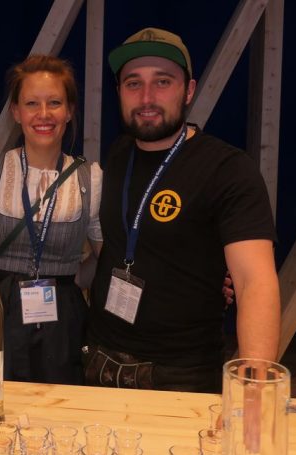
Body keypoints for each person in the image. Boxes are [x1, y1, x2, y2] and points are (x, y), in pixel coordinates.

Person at [85, 27, 280, 393]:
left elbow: (255, 282)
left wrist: (253, 391)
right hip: (97, 364)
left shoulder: (227, 168)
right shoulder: (119, 154)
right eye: (133, 83)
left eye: (162, 82)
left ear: (188, 90)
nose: (146, 97)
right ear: (119, 91)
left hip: (180, 376)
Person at [0, 55, 103, 385]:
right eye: (32, 103)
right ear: (16, 112)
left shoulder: (91, 179)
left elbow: (108, 258)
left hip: (65, 328)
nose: (43, 114)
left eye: (54, 103)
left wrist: (73, 275)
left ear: (69, 111)